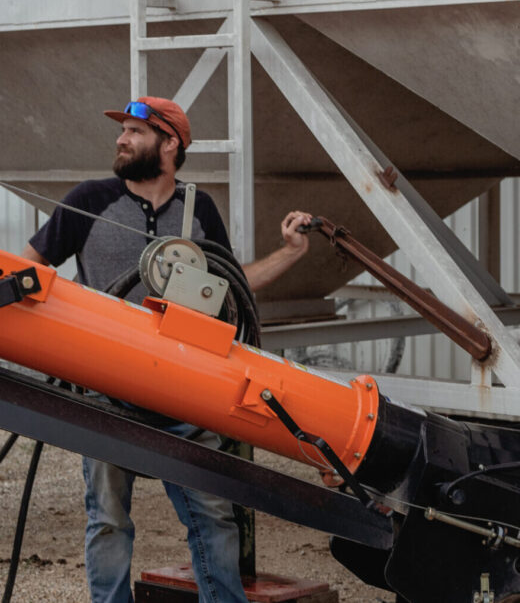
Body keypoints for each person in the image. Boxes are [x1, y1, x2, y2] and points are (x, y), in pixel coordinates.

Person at [22, 96, 313, 603]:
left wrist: (290, 252)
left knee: (212, 514)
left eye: (135, 131)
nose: (121, 139)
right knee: (108, 518)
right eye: (123, 132)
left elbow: (232, 284)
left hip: (184, 390)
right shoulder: (88, 200)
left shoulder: (198, 208)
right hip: (106, 389)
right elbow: (25, 273)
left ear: (170, 142)